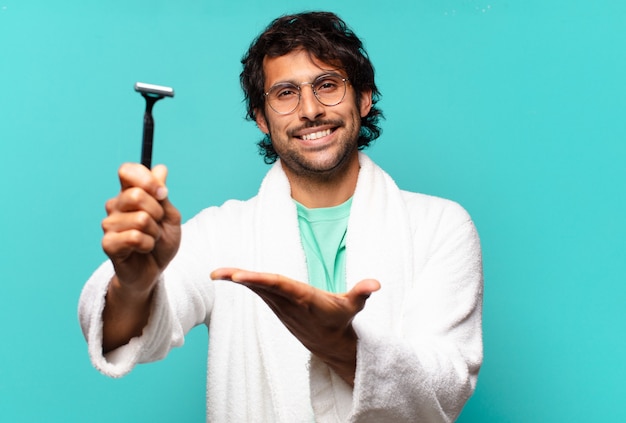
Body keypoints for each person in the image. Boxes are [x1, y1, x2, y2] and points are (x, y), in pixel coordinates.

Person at [79, 11, 483, 422]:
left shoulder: (440, 227)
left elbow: (446, 387)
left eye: (328, 85)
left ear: (364, 98)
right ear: (261, 117)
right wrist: (134, 282)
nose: (310, 110)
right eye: (286, 93)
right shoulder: (222, 234)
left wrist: (340, 344)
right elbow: (125, 334)